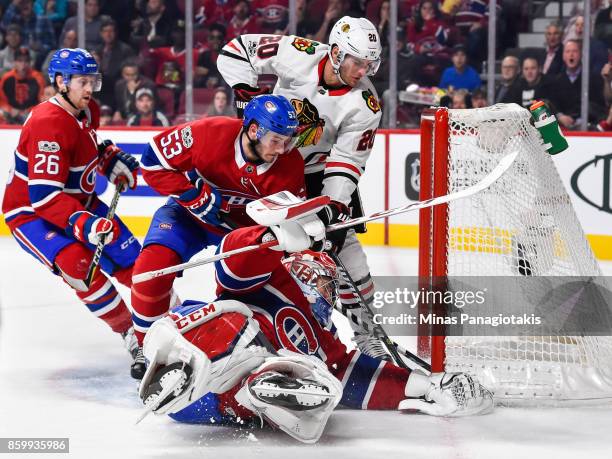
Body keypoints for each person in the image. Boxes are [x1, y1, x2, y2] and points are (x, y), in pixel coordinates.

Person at [136, 224, 494, 443]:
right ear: (300, 270)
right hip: (192, 367)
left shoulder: (323, 339)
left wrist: (428, 384)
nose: (328, 292)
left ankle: (261, 389)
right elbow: (233, 263)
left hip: (216, 408)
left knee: (324, 384)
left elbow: (357, 376)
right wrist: (271, 237)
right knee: (238, 320)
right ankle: (204, 366)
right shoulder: (269, 283)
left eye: (329, 287)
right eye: (323, 281)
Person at [217, 17, 389, 360]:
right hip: (275, 164)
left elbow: (346, 162)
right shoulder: (299, 53)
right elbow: (235, 51)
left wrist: (333, 205)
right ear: (337, 53)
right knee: (264, 246)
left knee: (348, 255)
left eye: (370, 64)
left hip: (318, 174)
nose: (363, 71)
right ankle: (246, 317)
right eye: (357, 62)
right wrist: (245, 92)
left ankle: (367, 335)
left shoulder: (365, 104)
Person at [130, 94, 307, 378]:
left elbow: (289, 220)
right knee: (149, 272)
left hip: (243, 233)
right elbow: (151, 161)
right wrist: (191, 194)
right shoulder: (208, 133)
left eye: (288, 140)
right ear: (253, 130)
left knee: (239, 294)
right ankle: (145, 346)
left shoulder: (290, 165)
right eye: (276, 140)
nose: (283, 149)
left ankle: (228, 345)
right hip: (187, 217)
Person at [0, 48, 142, 377]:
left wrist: (109, 159)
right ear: (61, 82)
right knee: (79, 267)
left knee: (132, 258)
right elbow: (45, 197)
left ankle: (169, 314)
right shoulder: (47, 123)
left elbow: (87, 145)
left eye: (93, 80)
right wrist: (85, 224)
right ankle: (130, 332)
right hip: (31, 213)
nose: (90, 88)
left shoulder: (86, 107)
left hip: (80, 200)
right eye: (82, 81)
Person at [0, 47, 46, 124]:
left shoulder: (38, 77)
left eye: (26, 61)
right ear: (14, 62)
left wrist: (27, 111)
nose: (23, 64)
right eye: (20, 61)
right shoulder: (7, 78)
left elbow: (42, 101)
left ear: (30, 62)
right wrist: (10, 109)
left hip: (31, 114)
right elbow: (1, 100)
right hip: (10, 114)